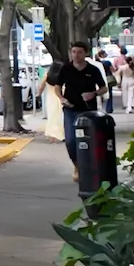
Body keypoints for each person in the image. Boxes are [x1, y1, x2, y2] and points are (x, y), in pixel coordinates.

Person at [46, 43, 107, 175]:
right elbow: (57, 87)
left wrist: (94, 93)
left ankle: (91, 166)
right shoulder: (66, 69)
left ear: (85, 53)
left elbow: (104, 88)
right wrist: (62, 98)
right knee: (71, 140)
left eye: (79, 52)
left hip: (89, 110)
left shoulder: (93, 70)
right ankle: (77, 166)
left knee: (90, 140)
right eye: (73, 52)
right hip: (70, 109)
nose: (76, 55)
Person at [112, 46, 134, 113]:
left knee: (125, 93)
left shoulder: (123, 67)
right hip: (132, 80)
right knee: (131, 93)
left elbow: (116, 73)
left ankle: (126, 105)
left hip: (125, 80)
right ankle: (130, 106)